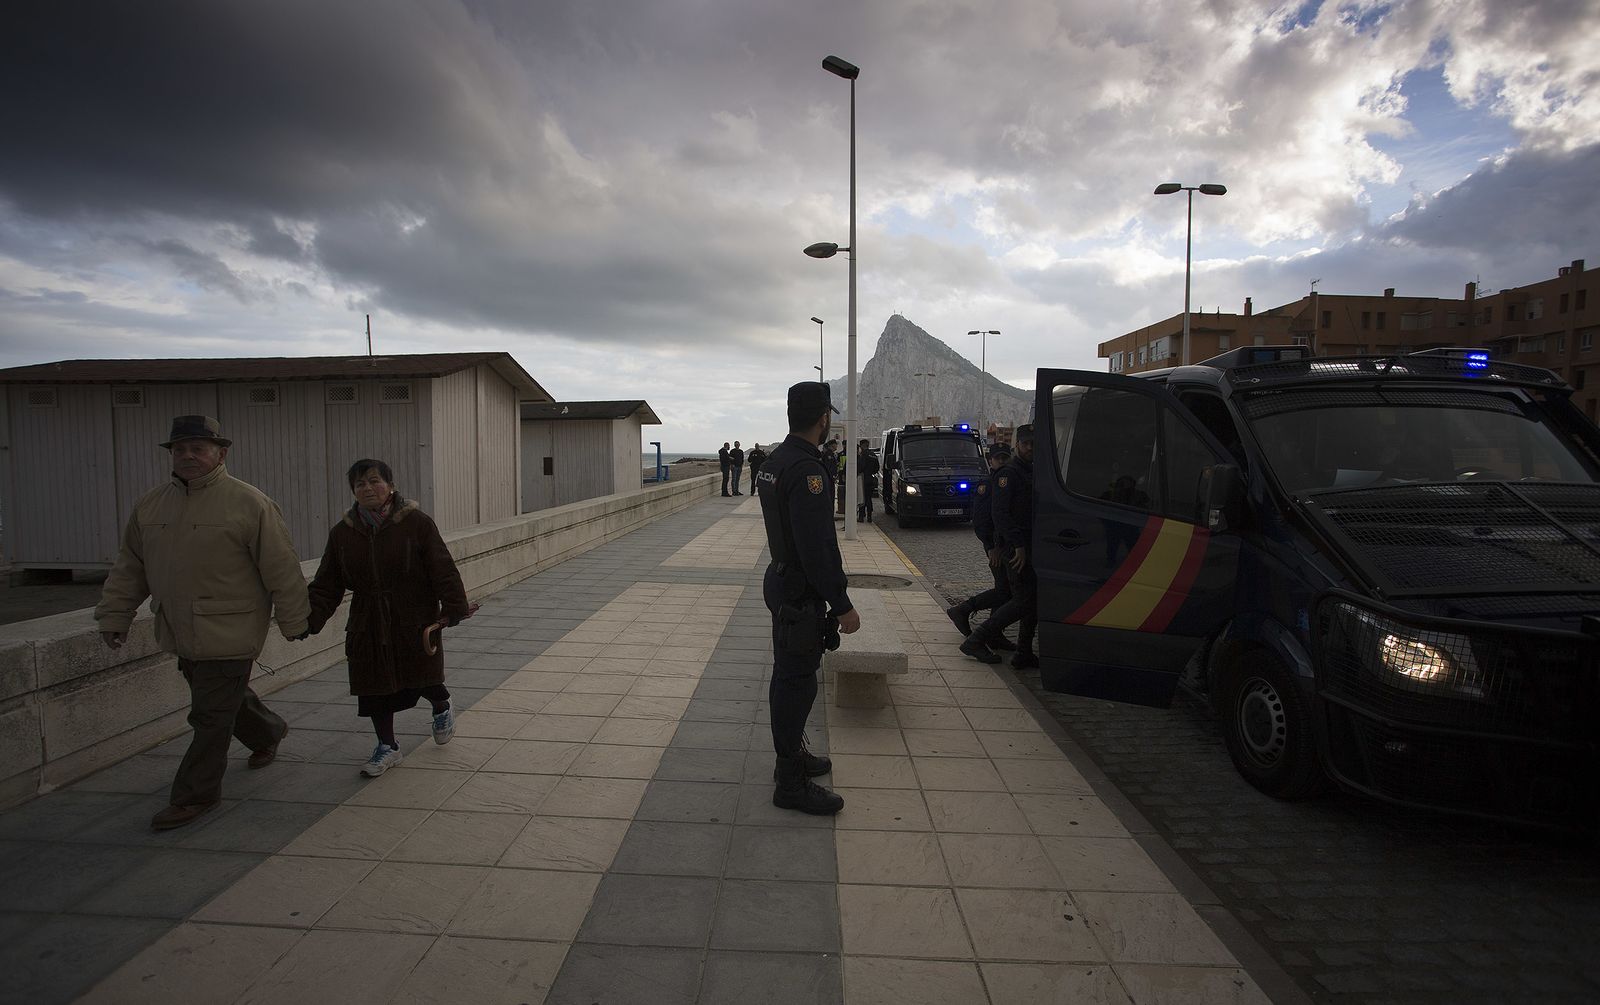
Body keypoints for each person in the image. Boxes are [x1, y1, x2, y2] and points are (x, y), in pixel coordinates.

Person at [95, 415, 310, 831]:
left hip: (231, 630)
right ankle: (268, 732)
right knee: (223, 700)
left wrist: (294, 620)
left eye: (198, 448)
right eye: (180, 449)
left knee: (209, 716)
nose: (188, 456)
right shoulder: (151, 505)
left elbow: (281, 567)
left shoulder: (250, 503)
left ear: (221, 454)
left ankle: (195, 795)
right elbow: (130, 568)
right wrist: (116, 614)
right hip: (179, 629)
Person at [307, 459, 476, 777]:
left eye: (375, 481)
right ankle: (387, 746)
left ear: (390, 486)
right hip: (367, 619)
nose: (368, 488)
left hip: (412, 614)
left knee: (421, 677)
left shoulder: (416, 523)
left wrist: (454, 606)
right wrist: (309, 619)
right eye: (360, 484)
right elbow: (327, 582)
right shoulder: (343, 533)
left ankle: (441, 705)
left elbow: (442, 567)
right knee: (373, 686)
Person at [756, 382, 861, 815]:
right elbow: (817, 548)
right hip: (799, 590)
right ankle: (790, 782)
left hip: (782, 579)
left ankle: (792, 757)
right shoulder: (808, 471)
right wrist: (842, 603)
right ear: (824, 418)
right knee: (796, 683)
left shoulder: (775, 461)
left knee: (789, 677)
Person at [960, 424, 1038, 669]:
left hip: (1028, 545)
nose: (1030, 448)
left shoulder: (1030, 471)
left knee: (1030, 600)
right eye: (1025, 444)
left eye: (1033, 444)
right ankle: (976, 639)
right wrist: (1016, 544)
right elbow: (999, 514)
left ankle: (1024, 651)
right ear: (1018, 445)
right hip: (1015, 548)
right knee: (1021, 600)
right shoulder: (1009, 474)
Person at [944, 446, 1018, 649]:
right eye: (997, 458)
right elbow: (981, 520)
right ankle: (964, 609)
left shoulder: (1009, 479)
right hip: (997, 546)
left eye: (1005, 458)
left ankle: (994, 633)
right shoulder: (988, 484)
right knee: (1005, 591)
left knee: (1005, 589)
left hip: (1004, 543)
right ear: (990, 460)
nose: (1001, 461)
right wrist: (991, 546)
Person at [855, 438, 880, 523]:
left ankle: (861, 516)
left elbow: (860, 467)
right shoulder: (873, 455)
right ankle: (869, 516)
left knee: (862, 497)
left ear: (862, 445)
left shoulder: (863, 455)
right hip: (871, 479)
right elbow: (877, 468)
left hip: (863, 478)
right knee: (869, 498)